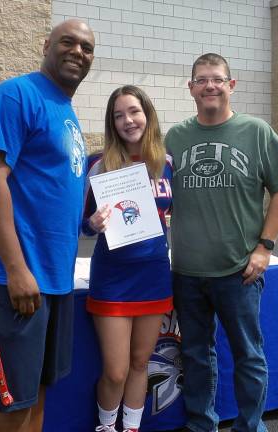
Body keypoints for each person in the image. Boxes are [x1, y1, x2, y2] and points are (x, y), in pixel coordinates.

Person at [0, 19, 95, 432]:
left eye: (87, 47)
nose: (78, 52)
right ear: (45, 45)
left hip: (53, 275)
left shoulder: (64, 109)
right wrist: (16, 269)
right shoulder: (14, 96)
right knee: (14, 400)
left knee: (37, 390)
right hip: (17, 275)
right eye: (68, 42)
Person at [165, 53, 278, 432]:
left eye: (218, 79)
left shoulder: (256, 132)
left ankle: (250, 426)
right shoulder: (176, 137)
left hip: (239, 270)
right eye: (202, 80)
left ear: (231, 85)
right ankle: (201, 424)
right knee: (195, 354)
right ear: (190, 88)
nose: (210, 86)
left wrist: (264, 247)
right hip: (187, 271)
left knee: (248, 356)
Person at [83, 85, 173, 432]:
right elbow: (81, 224)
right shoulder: (98, 164)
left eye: (134, 111)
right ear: (112, 123)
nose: (128, 120)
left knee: (140, 363)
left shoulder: (166, 163)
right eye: (118, 115)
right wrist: (92, 224)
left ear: (147, 114)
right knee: (116, 369)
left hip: (153, 275)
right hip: (114, 279)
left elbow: (173, 213)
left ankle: (131, 428)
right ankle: (106, 427)